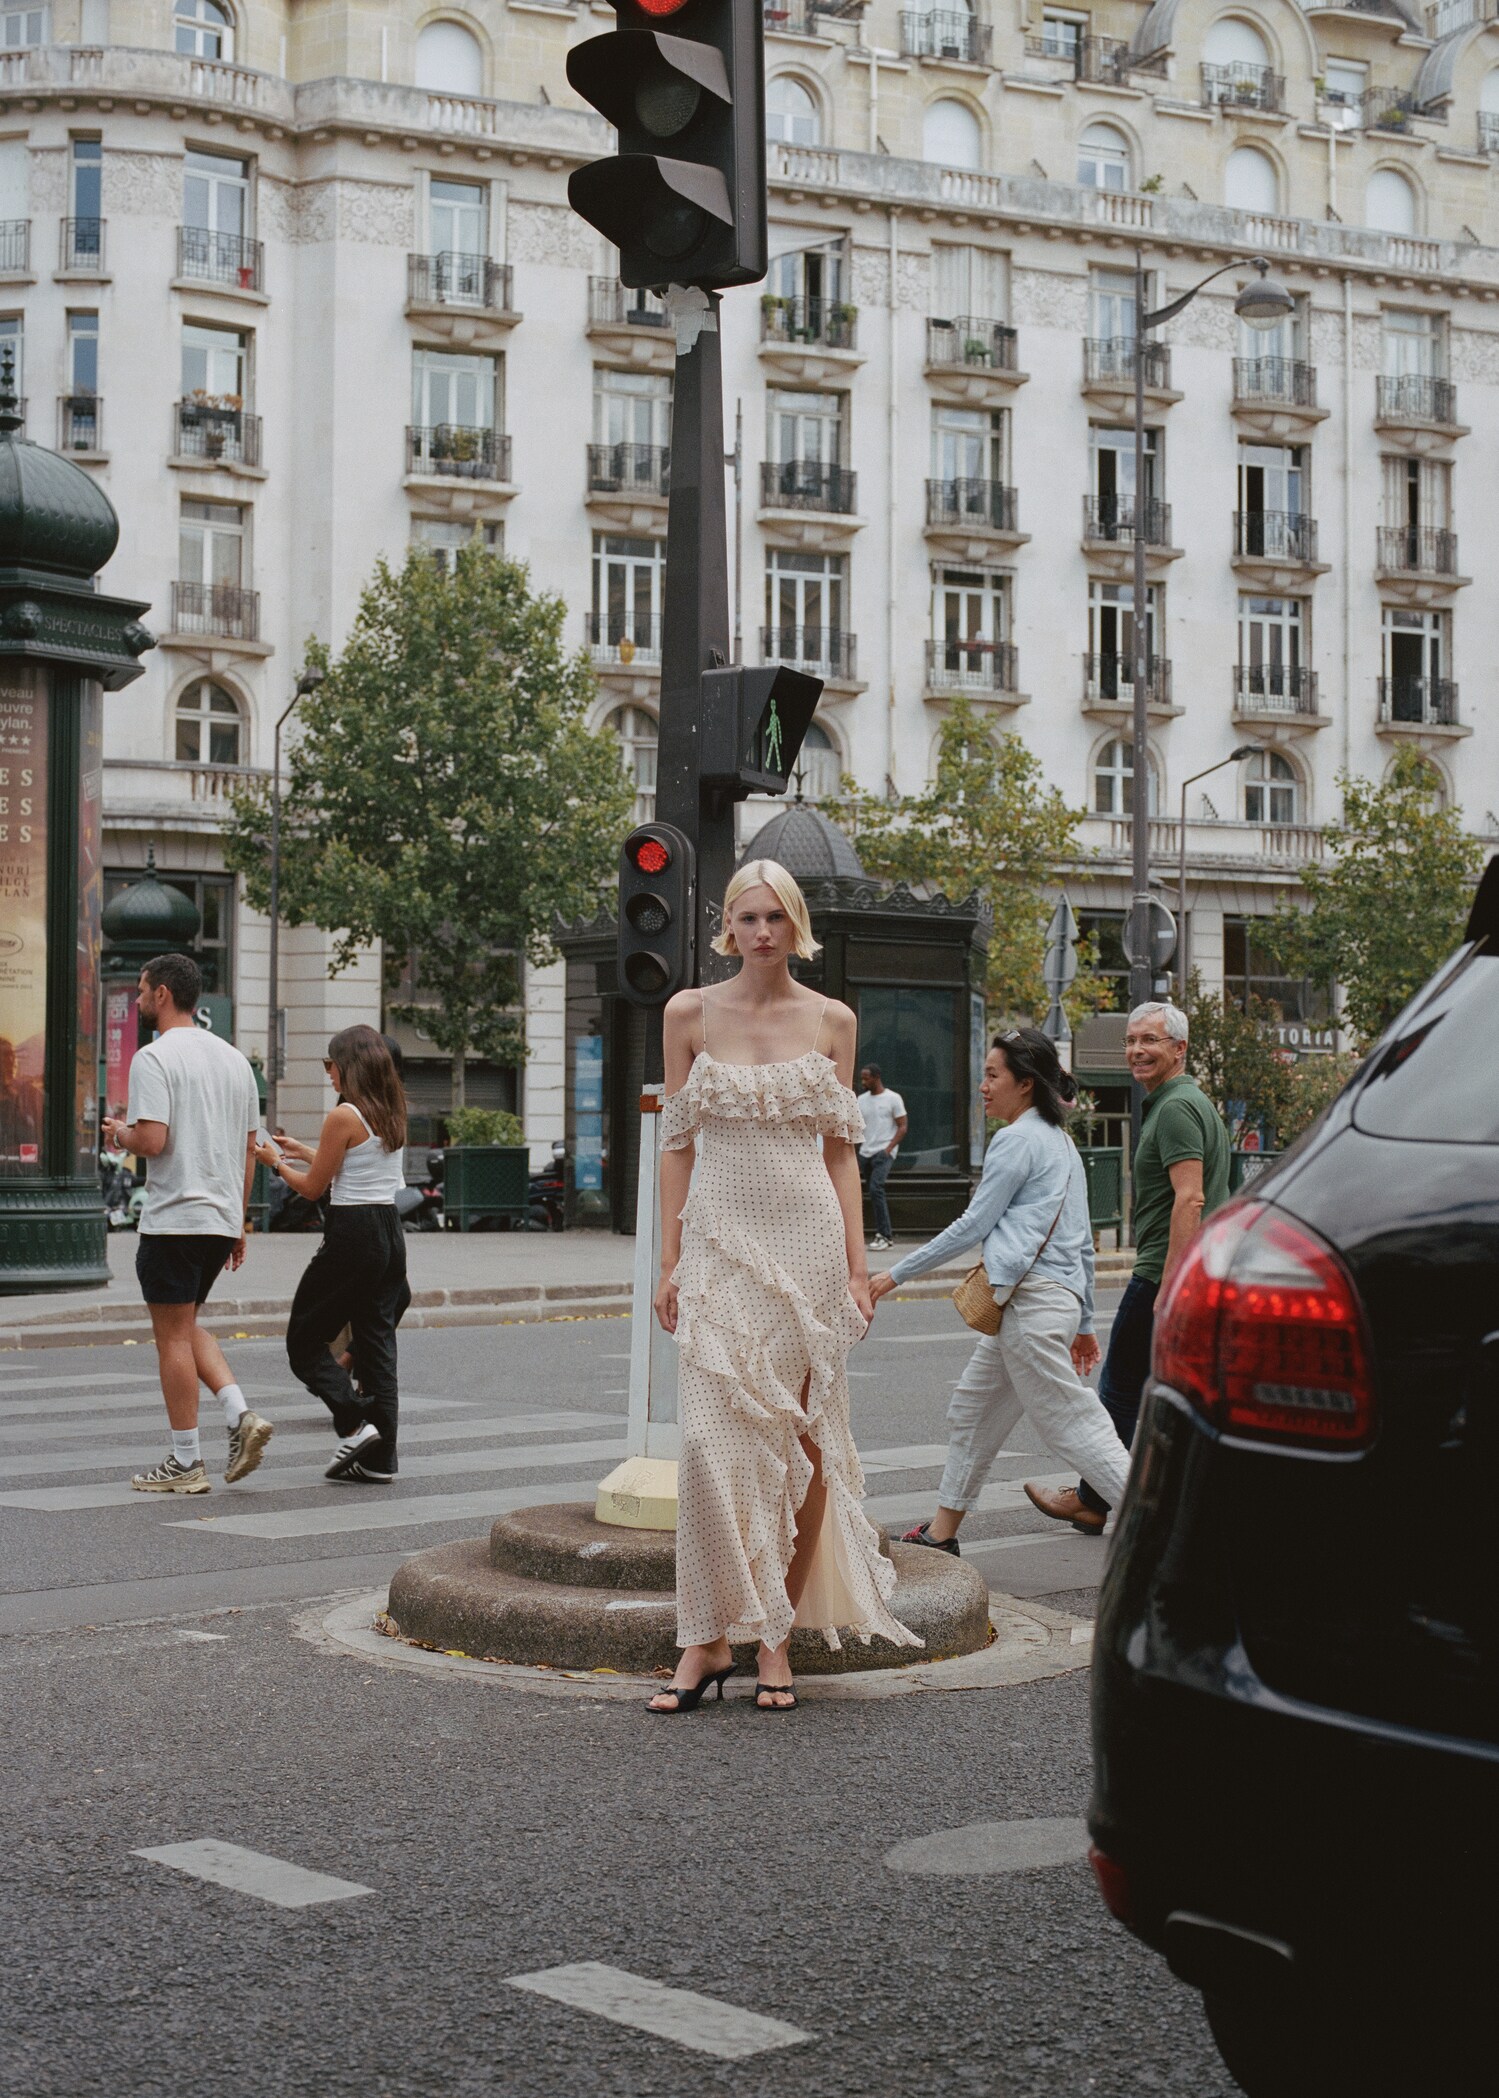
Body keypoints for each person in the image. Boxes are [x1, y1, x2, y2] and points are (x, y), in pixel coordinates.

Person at [649, 859, 920, 1713]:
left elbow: (840, 1154)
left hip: (803, 1242)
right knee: (704, 1448)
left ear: (795, 924)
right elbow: (677, 1148)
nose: (760, 931)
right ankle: (702, 1639)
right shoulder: (687, 1012)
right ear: (725, 925)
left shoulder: (832, 1019)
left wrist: (852, 1268)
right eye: (746, 916)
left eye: (774, 916)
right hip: (720, 1243)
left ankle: (773, 1639)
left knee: (797, 1453)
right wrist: (668, 1262)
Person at [868, 1026, 1130, 1554]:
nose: (983, 1087)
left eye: (992, 1076)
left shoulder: (1017, 1140)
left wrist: (892, 1275)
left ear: (1025, 1084)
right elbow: (1081, 1245)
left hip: (1031, 1308)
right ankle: (942, 1534)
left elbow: (972, 1225)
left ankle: (1179, 1530)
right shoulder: (1061, 1143)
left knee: (1072, 1424)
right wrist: (1081, 1324)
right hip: (1038, 1308)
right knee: (973, 1411)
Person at [1026, 999, 1231, 1534]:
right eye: (1131, 1040)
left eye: (1151, 1041)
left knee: (1118, 1387)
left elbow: (1191, 1198)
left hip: (1165, 1270)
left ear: (1179, 1049)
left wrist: (1169, 1286)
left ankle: (1096, 1498)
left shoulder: (1177, 1108)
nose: (1137, 1050)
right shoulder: (1182, 1102)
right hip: (1189, 1269)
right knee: (1170, 1391)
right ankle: (1127, 1496)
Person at [102, 954, 272, 1494]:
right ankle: (239, 1412)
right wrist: (240, 1221)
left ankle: (185, 1461)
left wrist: (118, 1133)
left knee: (170, 1337)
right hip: (220, 1218)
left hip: (175, 1216)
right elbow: (250, 1148)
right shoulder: (234, 1060)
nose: (139, 998)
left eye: (144, 989)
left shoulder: (154, 1058)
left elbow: (152, 1140)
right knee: (186, 1324)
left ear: (164, 995)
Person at [258, 1025, 408, 1483]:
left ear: (349, 1066)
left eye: (331, 1064)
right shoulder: (390, 1109)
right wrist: (304, 1150)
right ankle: (380, 1459)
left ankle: (354, 1424)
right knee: (377, 1343)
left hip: (352, 1234)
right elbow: (354, 1162)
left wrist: (276, 1163)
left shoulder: (343, 1114)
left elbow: (312, 1188)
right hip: (388, 1230)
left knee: (303, 1342)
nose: (328, 1073)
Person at [856, 1063, 907, 1252]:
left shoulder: (893, 1098)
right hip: (865, 1152)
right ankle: (872, 1235)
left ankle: (885, 1235)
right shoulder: (861, 1100)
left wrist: (889, 1149)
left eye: (866, 1077)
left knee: (876, 1188)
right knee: (857, 1190)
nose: (863, 1081)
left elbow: (902, 1126)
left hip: (883, 1152)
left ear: (877, 1077)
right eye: (862, 1077)